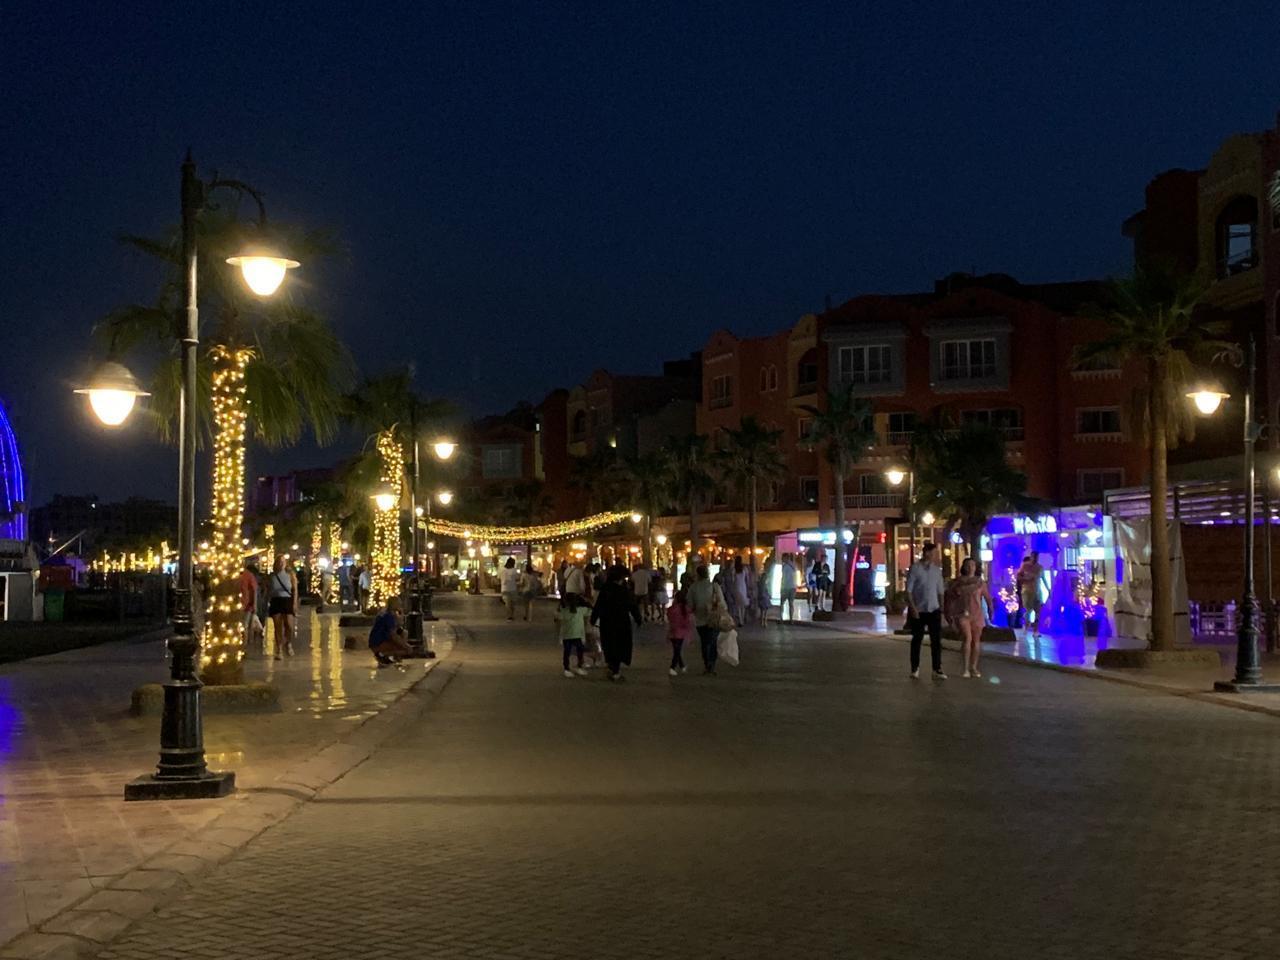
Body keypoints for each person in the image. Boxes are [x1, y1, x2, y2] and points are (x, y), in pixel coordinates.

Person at [590, 564, 641, 681]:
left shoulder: (606, 589)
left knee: (609, 645)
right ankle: (615, 670)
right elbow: (632, 605)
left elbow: (599, 605)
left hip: (606, 621)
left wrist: (593, 618)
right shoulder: (623, 590)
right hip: (621, 622)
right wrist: (638, 618)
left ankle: (611, 668)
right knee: (619, 646)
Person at [905, 542, 946, 680]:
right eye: (934, 553)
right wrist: (913, 608)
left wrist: (942, 608)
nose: (935, 556)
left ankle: (937, 668)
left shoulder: (936, 570)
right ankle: (915, 668)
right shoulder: (915, 569)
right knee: (917, 639)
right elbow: (909, 591)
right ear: (927, 553)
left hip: (934, 609)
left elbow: (940, 591)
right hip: (919, 609)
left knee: (936, 640)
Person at [946, 557, 993, 678]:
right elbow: (950, 597)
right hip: (962, 613)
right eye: (968, 565)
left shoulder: (980, 583)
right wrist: (949, 613)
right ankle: (966, 668)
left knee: (976, 641)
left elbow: (987, 598)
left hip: (977, 614)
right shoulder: (957, 582)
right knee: (967, 638)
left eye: (972, 565)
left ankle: (974, 667)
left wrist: (990, 609)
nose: (970, 567)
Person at [688, 564, 728, 675]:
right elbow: (723, 604)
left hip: (700, 619)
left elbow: (690, 604)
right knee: (713, 641)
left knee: (704, 643)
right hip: (714, 618)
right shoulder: (714, 586)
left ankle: (707, 664)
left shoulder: (693, 588)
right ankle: (712, 664)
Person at [267, 556, 297, 659]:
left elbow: (295, 590)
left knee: (289, 625)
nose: (281, 564)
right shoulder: (272, 576)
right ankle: (279, 648)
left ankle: (288, 643)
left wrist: (294, 603)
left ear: (285, 563)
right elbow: (268, 589)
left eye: (283, 562)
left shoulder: (290, 575)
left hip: (287, 600)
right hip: (276, 600)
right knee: (277, 625)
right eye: (279, 562)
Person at [554, 592, 589, 677]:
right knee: (579, 651)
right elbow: (590, 609)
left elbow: (557, 617)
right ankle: (578, 666)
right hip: (578, 635)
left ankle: (567, 668)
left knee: (567, 652)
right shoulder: (580, 610)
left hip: (567, 635)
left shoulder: (564, 611)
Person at [368, 596, 411, 665]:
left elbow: (399, 627)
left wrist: (401, 615)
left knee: (404, 633)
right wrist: (406, 646)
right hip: (378, 643)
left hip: (375, 641)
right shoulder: (388, 616)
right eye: (399, 603)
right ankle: (382, 654)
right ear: (394, 604)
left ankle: (392, 656)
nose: (401, 605)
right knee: (405, 650)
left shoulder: (387, 613)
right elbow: (393, 635)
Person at [666, 585, 693, 676]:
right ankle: (672, 667)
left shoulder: (672, 609)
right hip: (681, 633)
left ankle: (682, 666)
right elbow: (687, 622)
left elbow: (669, 618)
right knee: (677, 651)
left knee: (676, 650)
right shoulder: (686, 609)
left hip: (672, 632)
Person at [1017, 554, 1045, 638]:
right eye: (1034, 557)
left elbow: (1043, 579)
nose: (1035, 559)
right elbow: (1018, 576)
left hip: (1037, 591)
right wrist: (1026, 579)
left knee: (1038, 611)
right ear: (1031, 557)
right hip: (1027, 591)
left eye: (1037, 557)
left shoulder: (1040, 567)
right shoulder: (1025, 566)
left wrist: (1048, 590)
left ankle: (1036, 630)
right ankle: (1026, 625)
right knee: (1028, 610)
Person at [238, 560, 262, 654]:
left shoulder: (248, 575)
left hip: (246, 605)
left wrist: (254, 604)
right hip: (238, 605)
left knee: (244, 626)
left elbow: (254, 589)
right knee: (242, 626)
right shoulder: (237, 574)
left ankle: (243, 648)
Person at [780, 553, 797, 621]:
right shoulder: (791, 565)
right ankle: (790, 619)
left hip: (788, 587)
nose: (782, 559)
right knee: (789, 603)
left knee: (784, 603)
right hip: (790, 586)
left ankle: (785, 618)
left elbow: (784, 577)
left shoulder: (787, 565)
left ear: (786, 558)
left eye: (783, 558)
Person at [733, 556, 750, 626]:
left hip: (736, 587)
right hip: (743, 587)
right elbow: (747, 578)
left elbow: (733, 579)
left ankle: (740, 621)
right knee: (743, 604)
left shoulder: (734, 569)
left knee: (738, 605)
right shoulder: (744, 568)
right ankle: (742, 619)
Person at [757, 557, 774, 626]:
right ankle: (764, 621)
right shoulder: (766, 573)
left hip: (763, 591)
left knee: (763, 608)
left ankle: (762, 620)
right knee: (765, 607)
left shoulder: (763, 573)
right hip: (765, 592)